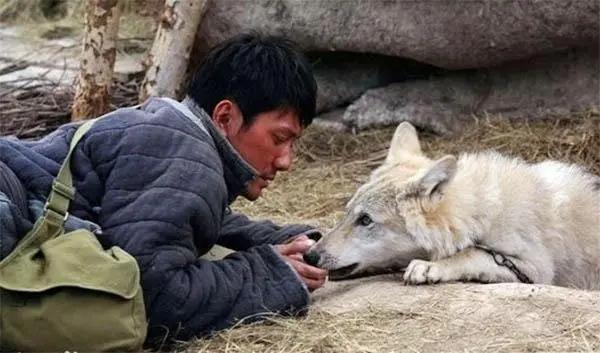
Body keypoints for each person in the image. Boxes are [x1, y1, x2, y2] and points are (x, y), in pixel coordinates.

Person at [0, 33, 328, 345]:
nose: (286, 161)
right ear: (225, 117)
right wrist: (268, 274)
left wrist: (281, 239)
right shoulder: (186, 155)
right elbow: (152, 296)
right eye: (280, 138)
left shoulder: (172, 131)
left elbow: (186, 219)